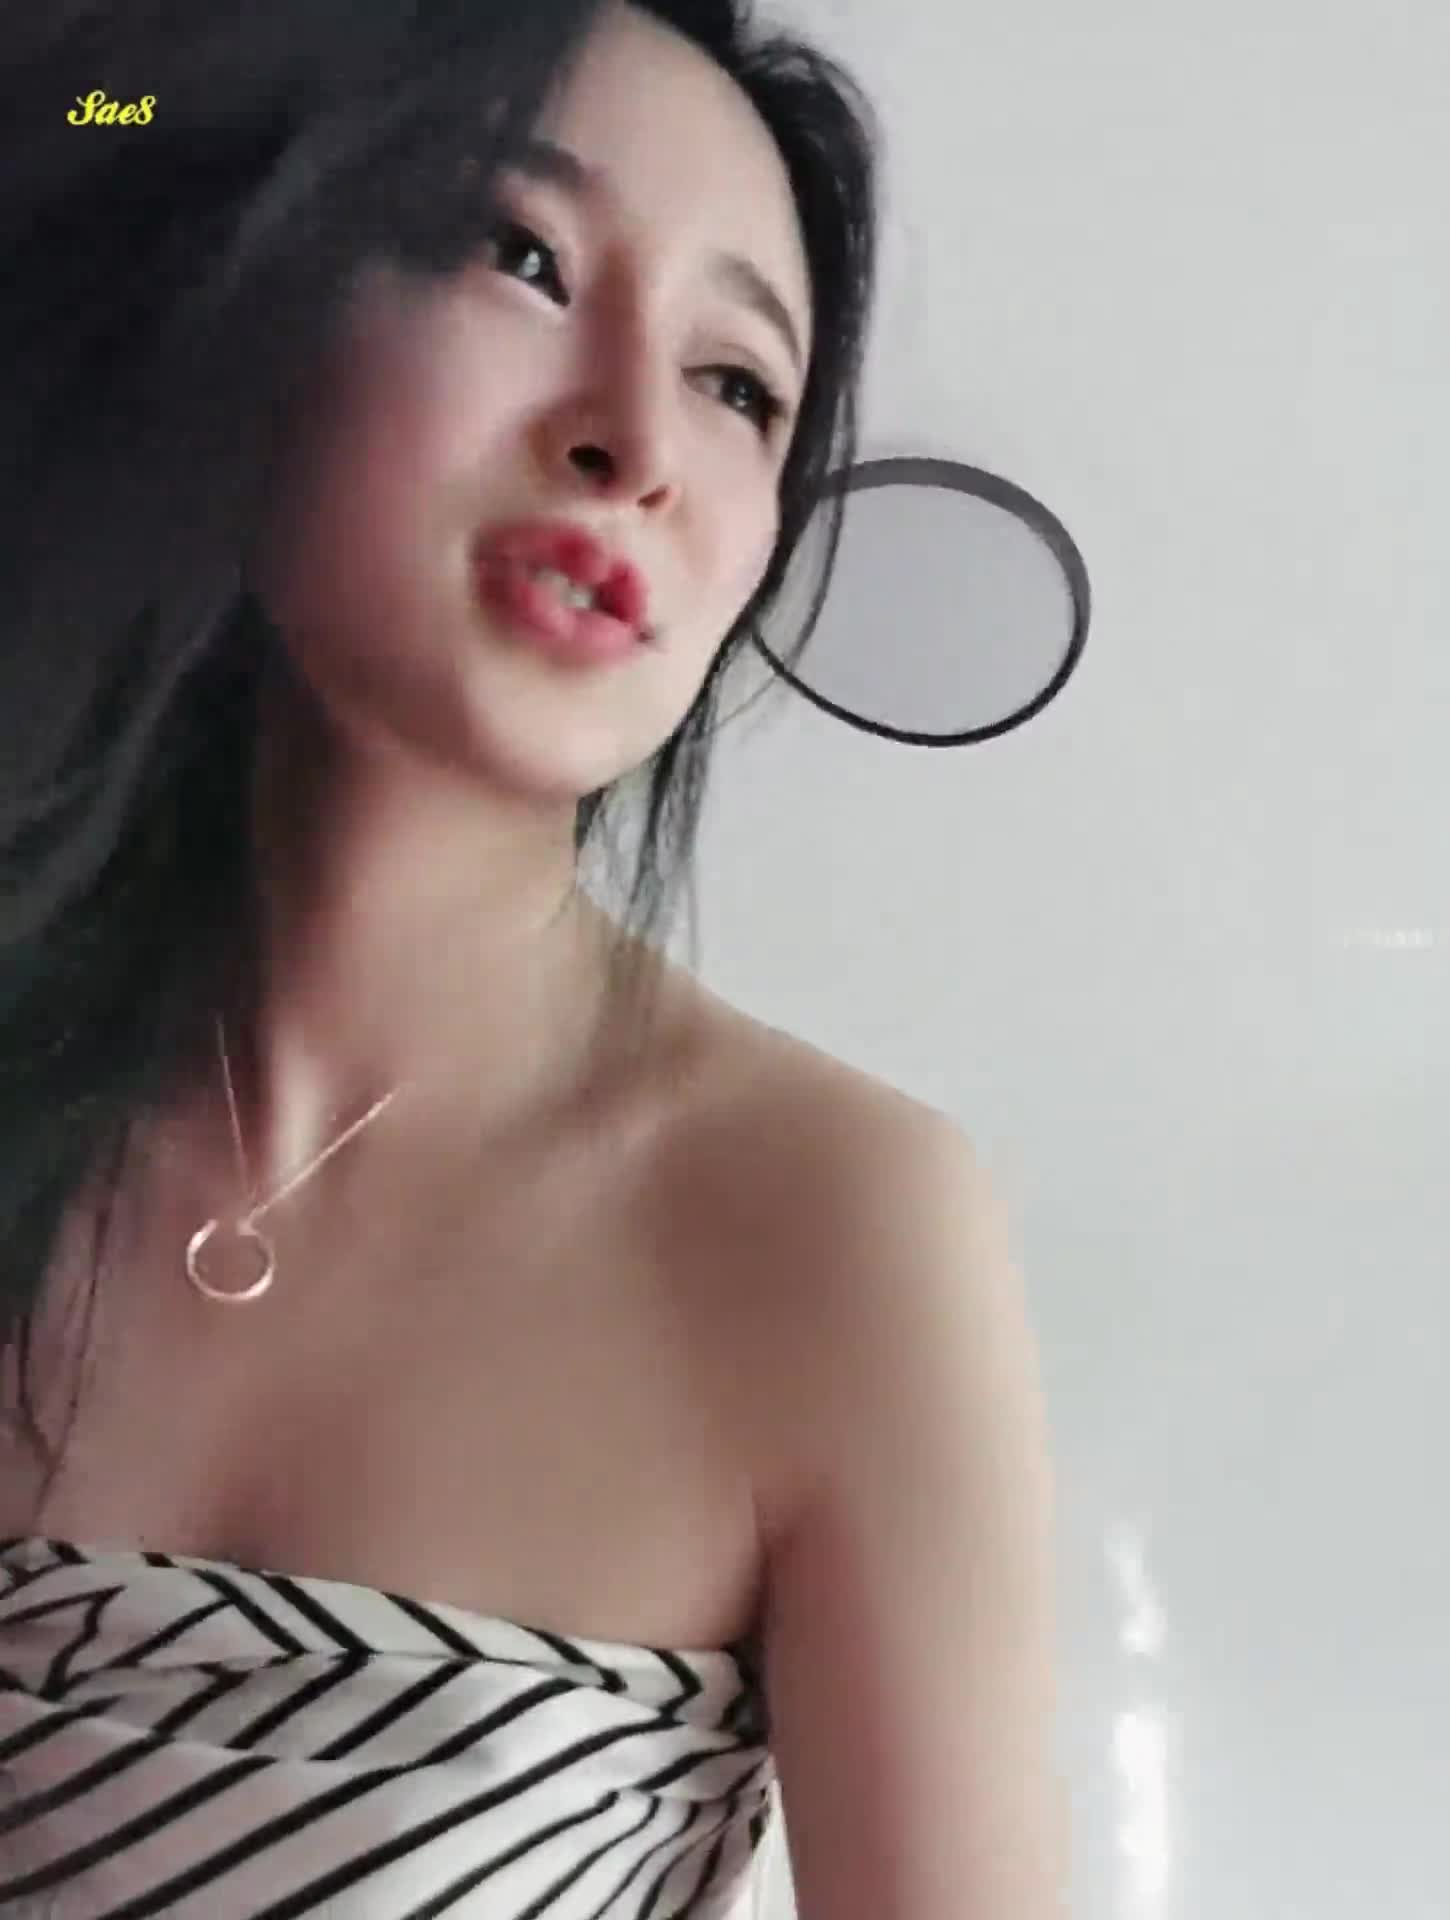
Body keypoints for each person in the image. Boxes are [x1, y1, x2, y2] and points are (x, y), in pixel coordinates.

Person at [0, 1, 1062, 1914]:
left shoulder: (825, 1223)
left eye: (738, 383)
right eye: (520, 254)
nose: (633, 441)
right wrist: (205, 76)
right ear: (253, 289)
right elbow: (82, 95)